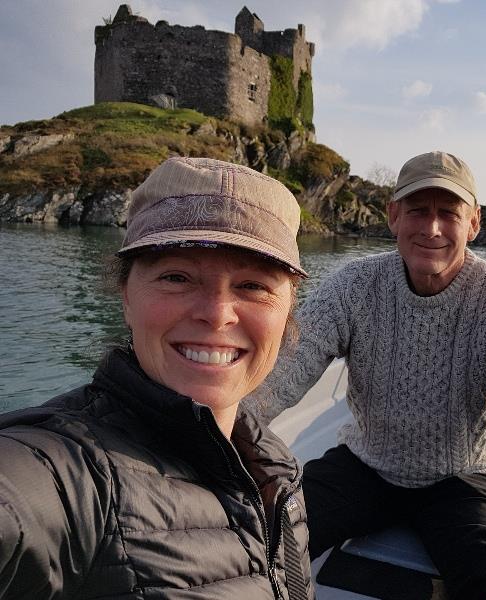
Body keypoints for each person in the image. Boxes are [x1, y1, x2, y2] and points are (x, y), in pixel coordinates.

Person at [252, 151, 486, 599]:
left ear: (474, 223)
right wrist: (209, 437)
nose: (432, 228)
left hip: (466, 477)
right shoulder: (352, 287)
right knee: (260, 542)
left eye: (449, 213)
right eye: (419, 210)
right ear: (393, 215)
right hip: (367, 464)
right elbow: (283, 373)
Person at [0, 157, 315, 599]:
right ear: (126, 296)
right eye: (176, 277)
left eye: (253, 285)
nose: (217, 313)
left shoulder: (272, 462)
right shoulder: (68, 471)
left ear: (287, 312)